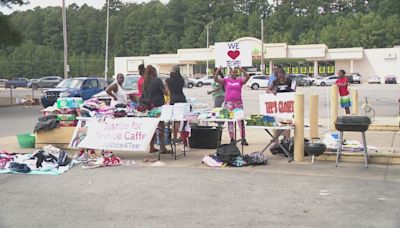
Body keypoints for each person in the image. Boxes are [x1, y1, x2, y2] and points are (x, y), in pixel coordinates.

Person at [214, 66, 251, 145]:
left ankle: (243, 138)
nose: (234, 73)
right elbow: (215, 79)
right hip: (229, 103)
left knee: (240, 121)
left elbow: (247, 77)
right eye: (233, 72)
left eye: (235, 72)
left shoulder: (240, 81)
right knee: (230, 121)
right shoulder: (226, 81)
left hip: (238, 103)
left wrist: (241, 69)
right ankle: (232, 138)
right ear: (230, 73)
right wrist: (218, 70)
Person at [142, 65, 170, 154]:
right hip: (158, 106)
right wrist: (166, 88)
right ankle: (162, 147)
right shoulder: (157, 80)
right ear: (154, 72)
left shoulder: (145, 83)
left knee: (152, 128)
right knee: (161, 127)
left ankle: (151, 147)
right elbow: (165, 93)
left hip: (149, 107)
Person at [266, 68, 296, 143]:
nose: (278, 76)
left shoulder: (290, 81)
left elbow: (293, 91)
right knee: (278, 123)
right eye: (277, 75)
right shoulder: (275, 81)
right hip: (278, 106)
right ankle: (276, 140)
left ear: (283, 74)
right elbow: (267, 90)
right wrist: (272, 92)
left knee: (287, 123)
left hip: (288, 106)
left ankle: (286, 140)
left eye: (279, 74)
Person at [165, 65, 189, 151]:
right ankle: (184, 141)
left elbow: (166, 91)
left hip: (173, 100)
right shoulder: (181, 79)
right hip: (182, 99)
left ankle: (174, 139)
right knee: (183, 121)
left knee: (175, 121)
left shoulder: (168, 80)